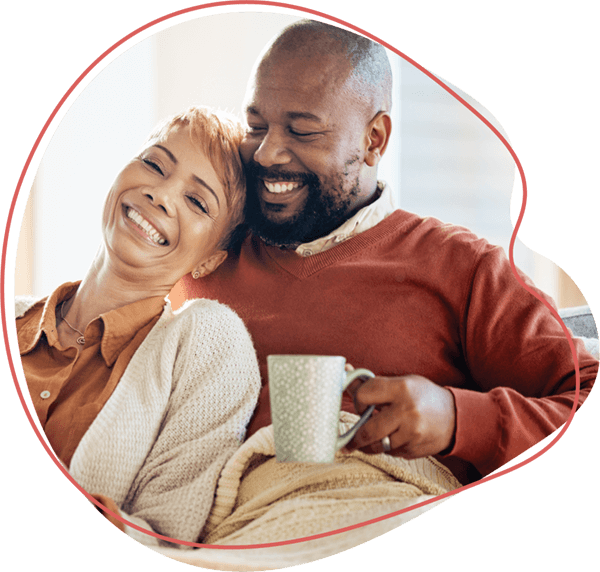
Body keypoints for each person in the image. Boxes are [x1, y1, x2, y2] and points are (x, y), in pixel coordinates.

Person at [169, 20, 599, 487]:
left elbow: (579, 393)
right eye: (256, 126)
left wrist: (456, 420)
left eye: (302, 131)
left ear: (374, 139)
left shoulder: (464, 267)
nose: (268, 153)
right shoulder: (201, 250)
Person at [14, 106, 261, 547]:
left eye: (197, 201)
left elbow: (166, 536)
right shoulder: (12, 315)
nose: (161, 194)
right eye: (154, 164)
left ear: (210, 260)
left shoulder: (206, 348)